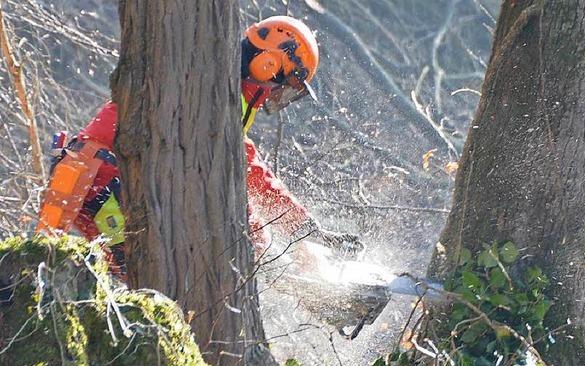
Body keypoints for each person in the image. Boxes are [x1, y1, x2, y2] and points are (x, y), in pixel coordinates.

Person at [38, 16, 363, 280]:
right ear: (268, 63)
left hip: (90, 172)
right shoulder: (212, 89)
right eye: (285, 82)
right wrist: (271, 252)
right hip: (101, 176)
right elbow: (230, 184)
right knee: (142, 283)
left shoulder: (226, 91)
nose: (279, 94)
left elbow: (250, 172)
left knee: (82, 276)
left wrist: (306, 231)